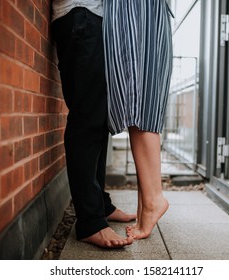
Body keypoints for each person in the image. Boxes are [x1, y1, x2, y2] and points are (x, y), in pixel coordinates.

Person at [51, 0, 135, 248]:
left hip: (92, 18)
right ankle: (90, 222)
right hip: (81, 13)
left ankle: (101, 205)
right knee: (87, 117)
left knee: (99, 119)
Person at [102, 0, 173, 239]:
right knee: (138, 103)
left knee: (139, 103)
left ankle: (154, 200)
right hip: (139, 10)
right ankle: (147, 205)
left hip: (136, 9)